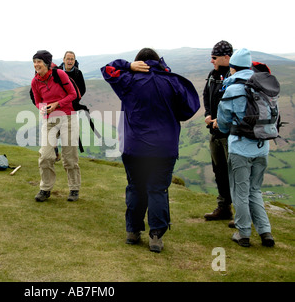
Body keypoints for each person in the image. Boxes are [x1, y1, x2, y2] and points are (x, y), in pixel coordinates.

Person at [101, 48, 200, 253]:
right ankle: (156, 237)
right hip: (164, 148)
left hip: (134, 147)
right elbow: (188, 109)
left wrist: (127, 66)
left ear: (139, 63)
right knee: (157, 190)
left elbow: (107, 69)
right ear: (158, 62)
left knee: (136, 187)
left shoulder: (128, 80)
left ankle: (132, 232)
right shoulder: (172, 82)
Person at [216, 48, 275, 247]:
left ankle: (244, 233)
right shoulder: (262, 86)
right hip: (262, 145)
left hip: (240, 147)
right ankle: (265, 232)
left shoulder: (232, 89)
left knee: (240, 191)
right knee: (255, 190)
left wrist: (223, 126)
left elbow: (223, 122)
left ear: (233, 68)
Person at [31, 50, 81, 202]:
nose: (36, 64)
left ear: (46, 63)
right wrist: (42, 107)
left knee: (69, 157)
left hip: (68, 117)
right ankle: (45, 189)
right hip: (49, 120)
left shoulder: (60, 75)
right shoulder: (35, 81)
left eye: (39, 61)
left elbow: (73, 94)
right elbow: (37, 100)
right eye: (34, 61)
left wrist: (57, 104)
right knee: (45, 156)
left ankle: (74, 189)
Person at [202, 40, 235, 223]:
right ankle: (224, 208)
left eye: (214, 57)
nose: (211, 61)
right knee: (219, 171)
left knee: (236, 173)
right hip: (214, 133)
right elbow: (207, 96)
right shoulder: (213, 75)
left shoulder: (235, 76)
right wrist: (208, 114)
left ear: (226, 57)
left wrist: (220, 120)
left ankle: (243, 216)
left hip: (231, 135)